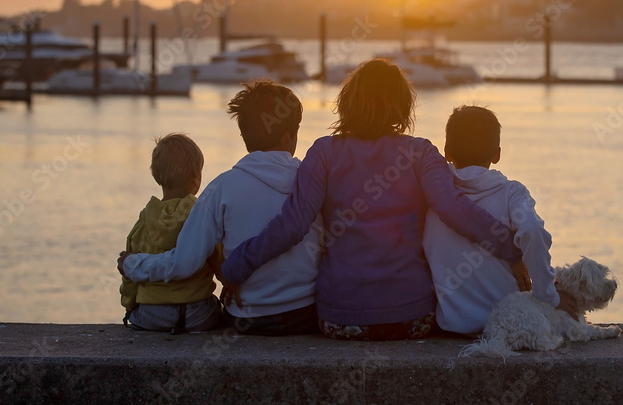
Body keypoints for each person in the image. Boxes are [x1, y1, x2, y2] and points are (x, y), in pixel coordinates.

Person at [221, 58, 525, 341]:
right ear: (402, 106)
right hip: (412, 317)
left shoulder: (323, 154)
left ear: (347, 102)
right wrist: (514, 250)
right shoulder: (421, 153)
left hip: (339, 320)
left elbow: (292, 225)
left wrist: (235, 268)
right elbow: (457, 211)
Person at [118, 82, 321, 335]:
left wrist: (133, 264)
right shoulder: (313, 183)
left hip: (248, 318)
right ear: (289, 136)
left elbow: (184, 263)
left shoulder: (221, 188)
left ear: (245, 137)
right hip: (306, 313)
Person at [424, 105, 576, 336]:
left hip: (453, 326)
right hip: (510, 325)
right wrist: (547, 296)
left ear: (446, 151)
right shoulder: (511, 193)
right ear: (497, 154)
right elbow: (533, 231)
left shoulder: (431, 198)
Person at [119, 133, 223, 333]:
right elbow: (219, 262)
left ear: (158, 177)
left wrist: (129, 304)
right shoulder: (202, 215)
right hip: (198, 313)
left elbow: (129, 277)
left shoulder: (144, 221)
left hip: (153, 314)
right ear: (196, 177)